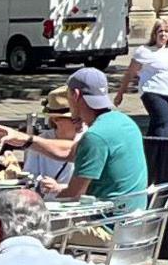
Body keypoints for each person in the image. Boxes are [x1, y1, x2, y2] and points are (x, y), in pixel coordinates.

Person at [45, 66, 148, 208]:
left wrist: (41, 208)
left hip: (106, 223)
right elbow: (72, 152)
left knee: (25, 222)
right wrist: (27, 140)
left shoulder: (95, 136)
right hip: (135, 220)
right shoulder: (125, 122)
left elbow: (73, 196)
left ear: (75, 95)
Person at [127, 19, 168, 135]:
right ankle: (164, 150)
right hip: (152, 91)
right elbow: (130, 72)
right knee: (163, 122)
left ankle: (149, 150)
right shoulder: (144, 51)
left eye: (167, 31)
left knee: (156, 122)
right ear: (154, 34)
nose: (163, 34)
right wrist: (120, 93)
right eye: (160, 31)